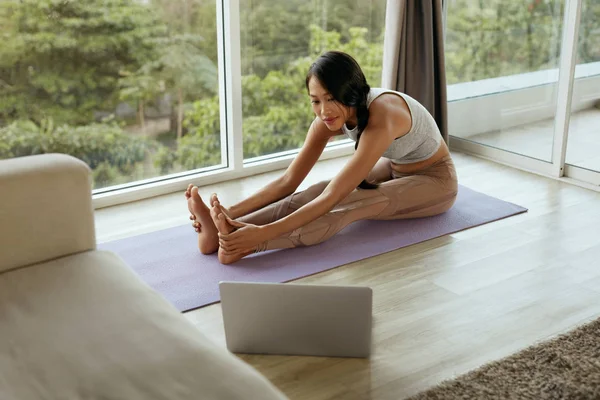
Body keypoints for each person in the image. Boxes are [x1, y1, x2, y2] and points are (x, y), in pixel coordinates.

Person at [185, 51, 458, 264]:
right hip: (398, 166)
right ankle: (226, 228)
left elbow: (332, 198)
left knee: (349, 202)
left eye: (331, 99)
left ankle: (247, 245)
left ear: (349, 93)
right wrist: (226, 212)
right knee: (314, 191)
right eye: (315, 101)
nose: (323, 111)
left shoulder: (383, 116)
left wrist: (263, 235)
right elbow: (288, 181)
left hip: (435, 181)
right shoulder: (330, 118)